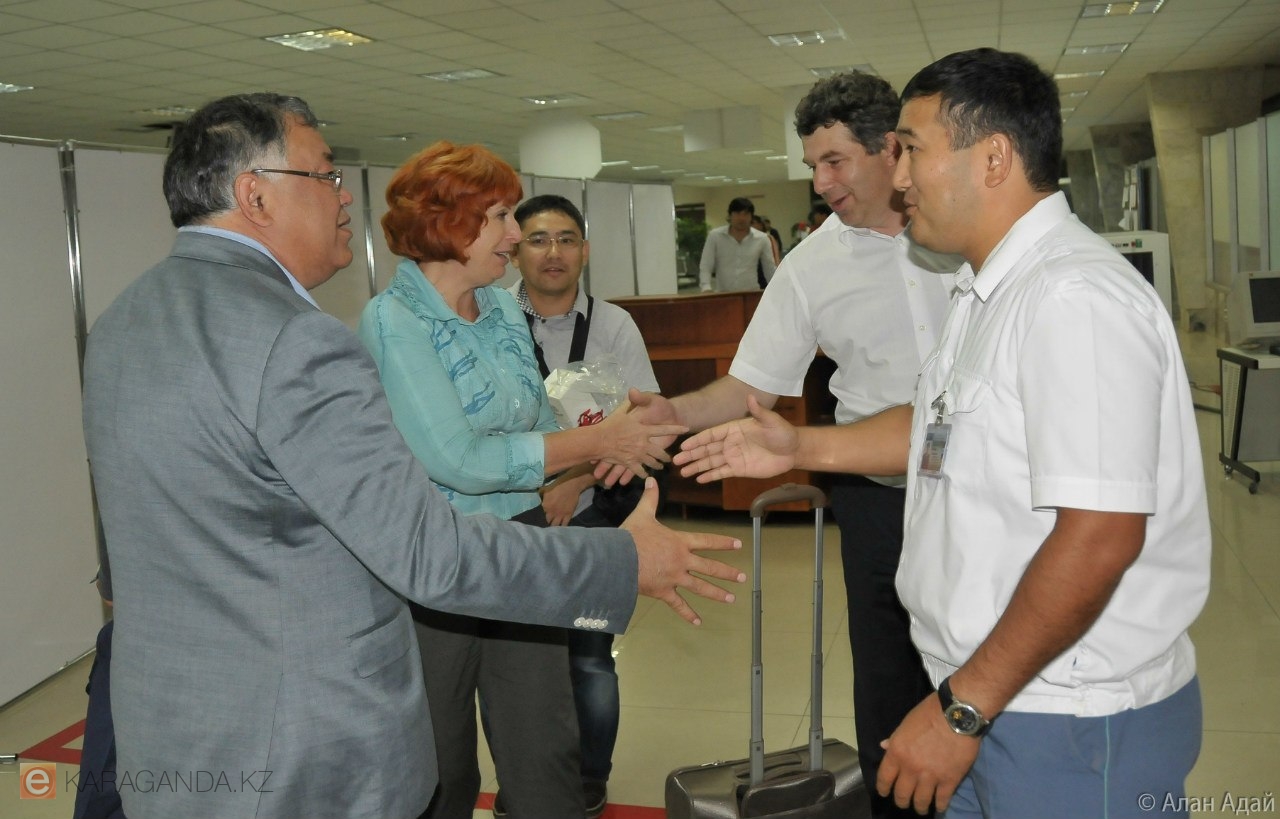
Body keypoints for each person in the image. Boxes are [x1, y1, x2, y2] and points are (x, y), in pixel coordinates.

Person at [80, 92, 744, 819]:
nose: (344, 197)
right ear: (254, 195)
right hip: (296, 745)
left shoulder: (124, 318)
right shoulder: (297, 338)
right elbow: (428, 549)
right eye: (325, 175)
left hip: (177, 734)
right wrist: (621, 561)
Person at [675, 48, 1210, 819]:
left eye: (912, 151)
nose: (898, 177)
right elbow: (938, 427)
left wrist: (963, 706)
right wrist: (801, 447)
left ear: (993, 159)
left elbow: (1100, 535)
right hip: (995, 699)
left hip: (1064, 714)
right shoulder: (986, 293)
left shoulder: (1072, 300)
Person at [622, 70, 958, 819]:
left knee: (981, 663)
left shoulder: (964, 234)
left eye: (835, 161)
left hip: (981, 487)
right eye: (812, 165)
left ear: (889, 148)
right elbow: (752, 386)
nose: (821, 182)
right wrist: (672, 412)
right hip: (876, 498)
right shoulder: (811, 265)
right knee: (887, 678)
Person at [357, 145, 675, 819]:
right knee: (439, 754)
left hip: (525, 542)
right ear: (450, 222)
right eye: (501, 217)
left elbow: (535, 421)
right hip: (438, 551)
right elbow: (458, 459)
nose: (514, 235)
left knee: (544, 740)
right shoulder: (394, 319)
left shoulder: (503, 312)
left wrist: (605, 445)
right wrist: (598, 440)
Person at [506, 194, 660, 817]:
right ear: (514, 249)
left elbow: (644, 421)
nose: (554, 252)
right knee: (521, 664)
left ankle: (590, 777)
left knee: (590, 659)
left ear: (585, 251)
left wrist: (573, 480)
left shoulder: (614, 325)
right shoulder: (492, 321)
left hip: (597, 505)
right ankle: (531, 780)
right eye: (538, 239)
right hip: (514, 511)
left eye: (566, 239)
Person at [698, 196, 776, 292]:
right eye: (737, 213)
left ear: (751, 216)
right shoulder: (715, 236)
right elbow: (706, 265)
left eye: (746, 214)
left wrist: (776, 290)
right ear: (730, 215)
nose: (741, 218)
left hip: (751, 293)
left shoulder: (762, 238)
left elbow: (769, 268)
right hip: (723, 293)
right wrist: (706, 287)